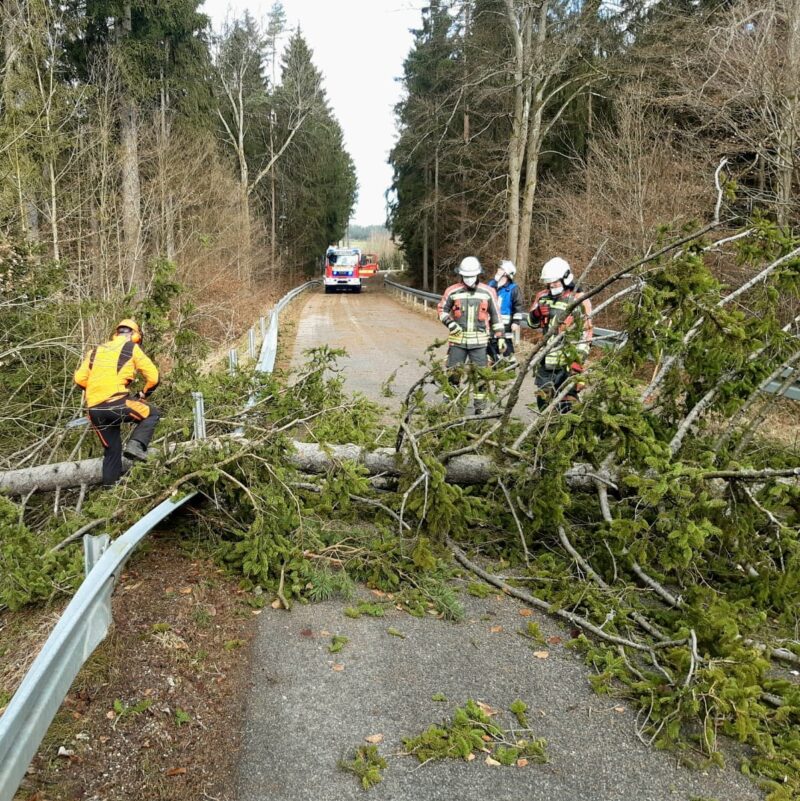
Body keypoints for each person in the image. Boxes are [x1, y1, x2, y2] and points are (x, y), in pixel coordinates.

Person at [74, 319, 161, 486]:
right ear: (134, 336)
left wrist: (98, 390)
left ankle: (109, 492)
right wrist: (143, 393)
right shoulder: (131, 348)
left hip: (95, 410)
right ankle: (135, 446)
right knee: (151, 414)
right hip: (116, 402)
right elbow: (154, 377)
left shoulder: (94, 351)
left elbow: (79, 380)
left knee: (112, 451)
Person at [437, 256, 505, 413]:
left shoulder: (488, 292)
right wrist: (450, 323)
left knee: (480, 378)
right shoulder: (452, 291)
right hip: (457, 342)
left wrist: (500, 336)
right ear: (461, 275)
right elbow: (441, 310)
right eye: (466, 276)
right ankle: (449, 409)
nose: (469, 279)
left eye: (471, 276)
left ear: (478, 274)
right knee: (453, 375)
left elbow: (496, 316)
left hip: (480, 344)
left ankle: (479, 411)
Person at [528, 257, 593, 413]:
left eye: (555, 282)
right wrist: (536, 314)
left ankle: (566, 432)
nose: (551, 286)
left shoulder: (579, 300)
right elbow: (532, 323)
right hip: (546, 359)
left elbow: (586, 333)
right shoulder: (542, 296)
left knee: (567, 401)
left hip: (568, 360)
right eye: (549, 283)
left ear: (565, 278)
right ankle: (544, 428)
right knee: (543, 398)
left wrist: (578, 361)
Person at [487, 259, 524, 369]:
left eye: (501, 269)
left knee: (506, 343)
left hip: (506, 324)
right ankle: (495, 362)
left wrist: (516, 322)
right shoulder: (491, 285)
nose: (498, 270)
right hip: (490, 321)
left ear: (506, 273)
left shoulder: (513, 289)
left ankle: (511, 364)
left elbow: (518, 307)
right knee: (491, 341)